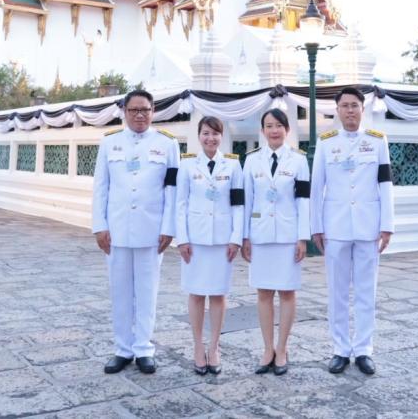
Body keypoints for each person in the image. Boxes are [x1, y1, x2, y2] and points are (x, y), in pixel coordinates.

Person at [92, 89, 179, 375]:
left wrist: (169, 227)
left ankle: (144, 348)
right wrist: (99, 226)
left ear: (153, 112)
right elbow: (100, 188)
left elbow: (172, 190)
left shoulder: (167, 144)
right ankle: (122, 349)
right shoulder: (110, 143)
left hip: (151, 230)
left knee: (147, 291)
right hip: (116, 230)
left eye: (145, 110)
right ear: (124, 112)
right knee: (119, 292)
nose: (140, 115)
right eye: (134, 110)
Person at [310, 87, 394, 375]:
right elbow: (316, 187)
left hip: (368, 226)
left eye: (355, 105)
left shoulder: (378, 141)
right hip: (335, 227)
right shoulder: (325, 143)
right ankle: (340, 349)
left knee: (366, 291)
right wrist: (316, 227)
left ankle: (364, 350)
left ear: (362, 108)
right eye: (344, 105)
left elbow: (385, 184)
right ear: (337, 109)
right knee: (337, 292)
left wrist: (387, 225)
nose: (349, 111)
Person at [242, 108, 310, 376]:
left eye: (279, 126)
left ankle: (282, 348)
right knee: (263, 293)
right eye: (269, 126)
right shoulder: (251, 161)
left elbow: (303, 201)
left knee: (288, 292)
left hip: (287, 235)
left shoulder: (298, 161)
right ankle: (267, 348)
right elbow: (246, 200)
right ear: (262, 130)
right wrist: (244, 237)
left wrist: (302, 237)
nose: (274, 130)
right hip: (260, 234)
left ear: (287, 130)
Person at [175, 116, 243, 375]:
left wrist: (236, 238)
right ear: (199, 135)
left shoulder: (233, 166)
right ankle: (197, 346)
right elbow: (180, 205)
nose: (210, 138)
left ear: (221, 136)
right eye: (205, 133)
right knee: (195, 293)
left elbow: (239, 204)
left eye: (215, 134)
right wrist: (182, 239)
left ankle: (214, 346)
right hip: (195, 240)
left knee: (218, 294)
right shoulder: (188, 165)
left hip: (223, 241)